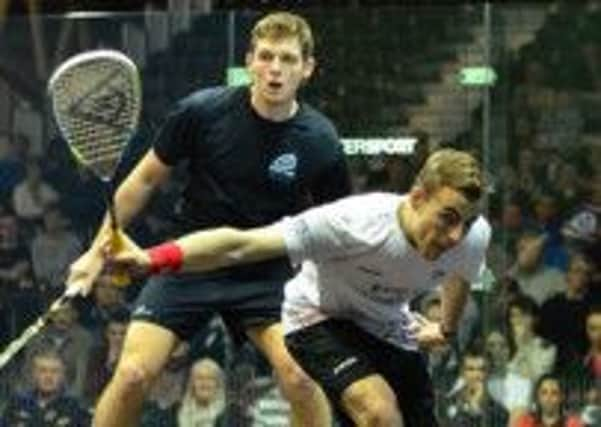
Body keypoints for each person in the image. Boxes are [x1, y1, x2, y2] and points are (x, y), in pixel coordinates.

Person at [66, 11, 350, 427]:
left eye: (288, 59)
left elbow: (336, 226)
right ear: (249, 61)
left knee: (302, 377)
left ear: (306, 69)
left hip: (267, 272)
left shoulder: (321, 141)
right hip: (188, 261)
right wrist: (95, 253)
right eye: (266, 56)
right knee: (131, 375)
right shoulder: (201, 112)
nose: (275, 69)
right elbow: (143, 180)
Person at [108, 148, 490, 426]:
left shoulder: (472, 237)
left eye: (466, 224)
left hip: (387, 326)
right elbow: (241, 245)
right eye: (447, 218)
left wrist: (446, 329)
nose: (455, 235)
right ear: (418, 197)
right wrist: (154, 259)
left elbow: (461, 276)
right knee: (379, 412)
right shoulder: (351, 224)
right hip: (317, 321)